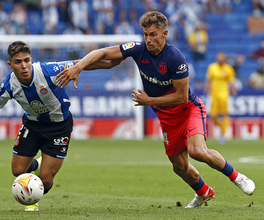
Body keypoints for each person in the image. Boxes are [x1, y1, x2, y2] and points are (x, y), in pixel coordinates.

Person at [56, 11, 256, 208]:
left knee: (196, 151)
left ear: (164, 34)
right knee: (179, 166)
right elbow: (103, 55)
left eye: (153, 34)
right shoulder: (138, 49)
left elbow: (181, 96)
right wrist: (78, 66)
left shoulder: (175, 58)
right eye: (145, 34)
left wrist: (149, 100)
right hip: (166, 115)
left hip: (188, 110)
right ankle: (204, 192)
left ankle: (236, 176)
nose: (148, 39)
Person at [0, 41, 119, 211]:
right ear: (10, 65)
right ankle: (37, 167)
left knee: (46, 180)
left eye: (26, 60)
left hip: (59, 127)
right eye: (18, 62)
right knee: (17, 170)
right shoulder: (10, 84)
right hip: (33, 125)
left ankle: (32, 198)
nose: (24, 66)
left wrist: (108, 65)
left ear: (31, 59)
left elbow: (79, 63)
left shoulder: (48, 71)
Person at [205, 52, 237, 144]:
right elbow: (208, 80)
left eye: (221, 57)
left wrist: (234, 94)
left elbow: (231, 82)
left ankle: (222, 135)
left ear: (224, 58)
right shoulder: (212, 67)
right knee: (212, 116)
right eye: (218, 57)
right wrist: (205, 91)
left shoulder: (228, 68)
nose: (220, 59)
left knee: (225, 114)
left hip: (224, 95)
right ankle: (221, 125)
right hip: (214, 95)